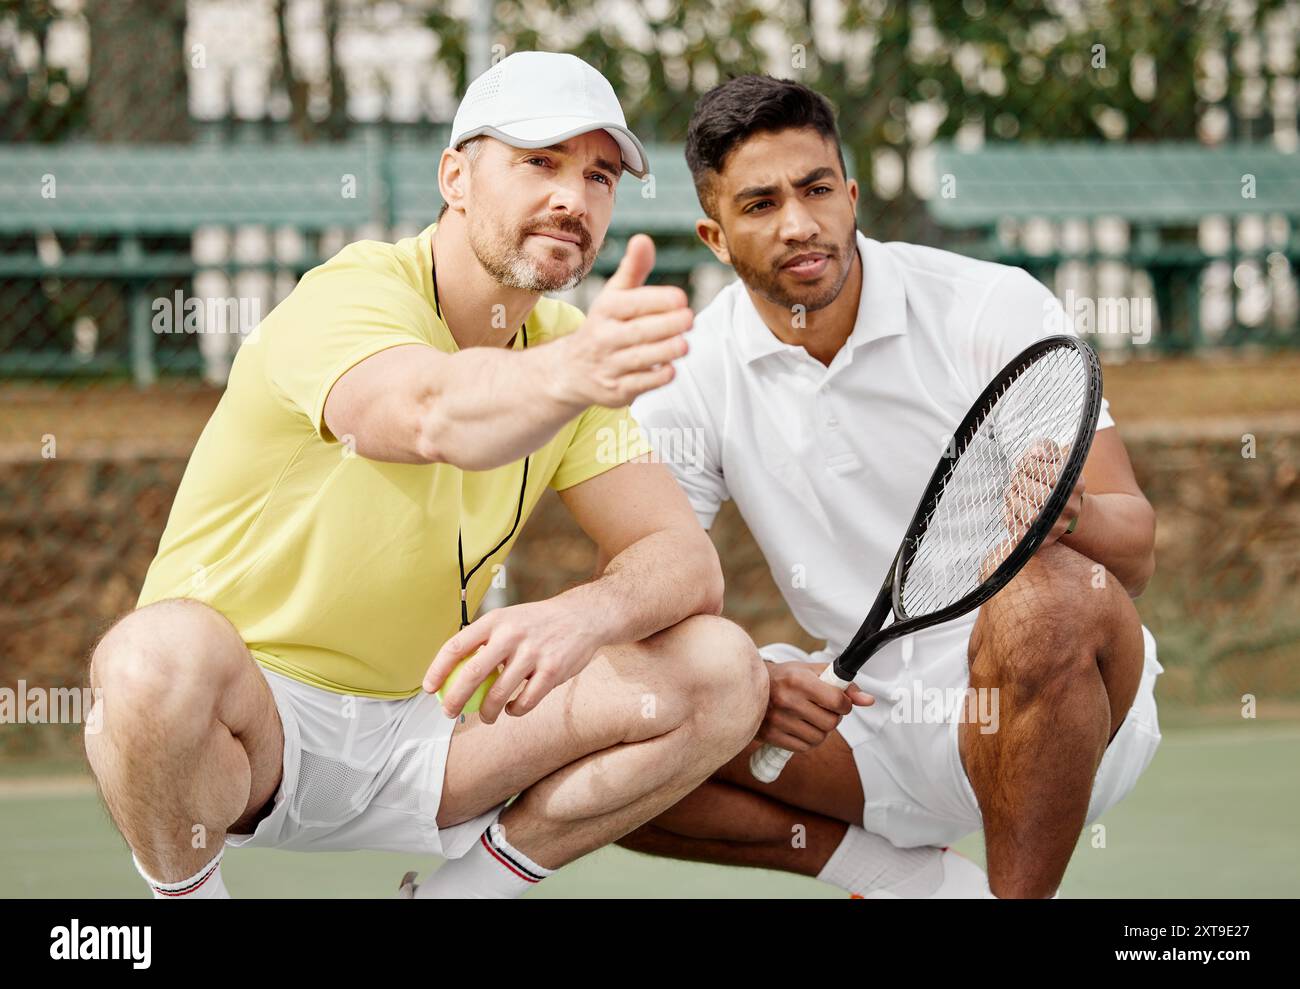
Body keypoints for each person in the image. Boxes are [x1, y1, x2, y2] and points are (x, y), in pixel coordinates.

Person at [84, 51, 767, 900]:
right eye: (539, 163)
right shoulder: (349, 295)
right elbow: (423, 415)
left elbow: (683, 559)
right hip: (251, 730)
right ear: (455, 176)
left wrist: (586, 613)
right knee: (150, 659)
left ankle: (460, 893)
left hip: (431, 729)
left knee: (722, 668)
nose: (573, 198)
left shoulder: (562, 344)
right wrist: (573, 374)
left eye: (598, 176)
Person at [624, 74, 1162, 898]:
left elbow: (1133, 552)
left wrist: (1072, 511)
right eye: (761, 205)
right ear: (715, 235)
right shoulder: (686, 375)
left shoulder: (988, 305)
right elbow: (646, 593)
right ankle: (906, 882)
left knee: (1050, 598)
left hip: (1059, 710)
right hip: (868, 727)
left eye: (816, 189)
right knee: (602, 725)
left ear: (852, 194)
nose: (801, 223)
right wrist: (750, 685)